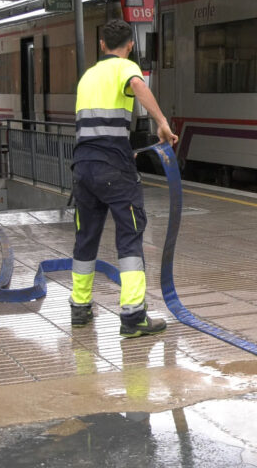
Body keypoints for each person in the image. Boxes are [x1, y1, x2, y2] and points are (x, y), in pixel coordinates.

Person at [70, 18, 178, 338]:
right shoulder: (125, 69)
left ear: (102, 45)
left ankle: (79, 307)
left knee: (85, 237)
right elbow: (138, 85)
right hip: (113, 169)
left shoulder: (87, 76)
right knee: (130, 235)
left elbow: (97, 127)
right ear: (130, 46)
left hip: (83, 167)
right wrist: (161, 122)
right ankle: (133, 317)